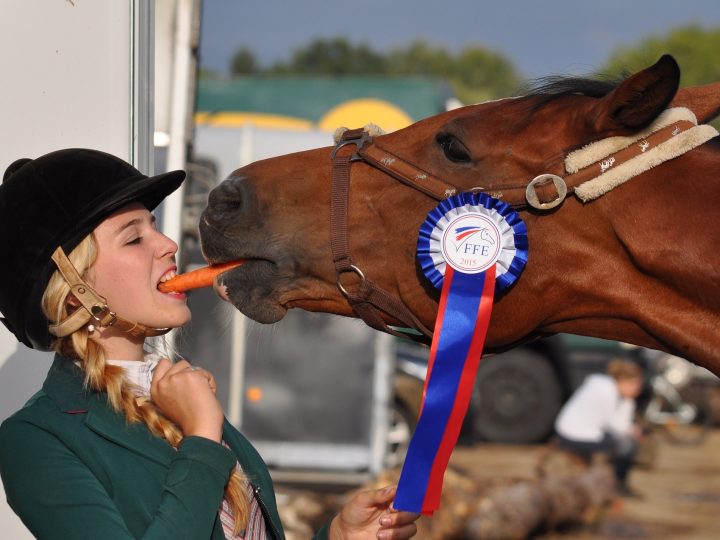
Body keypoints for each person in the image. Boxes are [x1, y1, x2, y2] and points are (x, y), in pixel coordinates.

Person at [0, 149, 420, 539]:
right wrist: (201, 437)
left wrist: (336, 537)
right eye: (133, 238)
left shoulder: (173, 389)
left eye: (154, 227)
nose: (166, 245)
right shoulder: (36, 439)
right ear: (75, 292)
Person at [553, 359, 645, 497]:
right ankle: (618, 484)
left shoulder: (610, 389)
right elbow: (615, 426)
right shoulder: (605, 392)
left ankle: (610, 481)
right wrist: (633, 430)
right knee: (627, 446)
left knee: (622, 442)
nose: (637, 389)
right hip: (573, 434)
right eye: (633, 384)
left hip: (573, 431)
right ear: (621, 380)